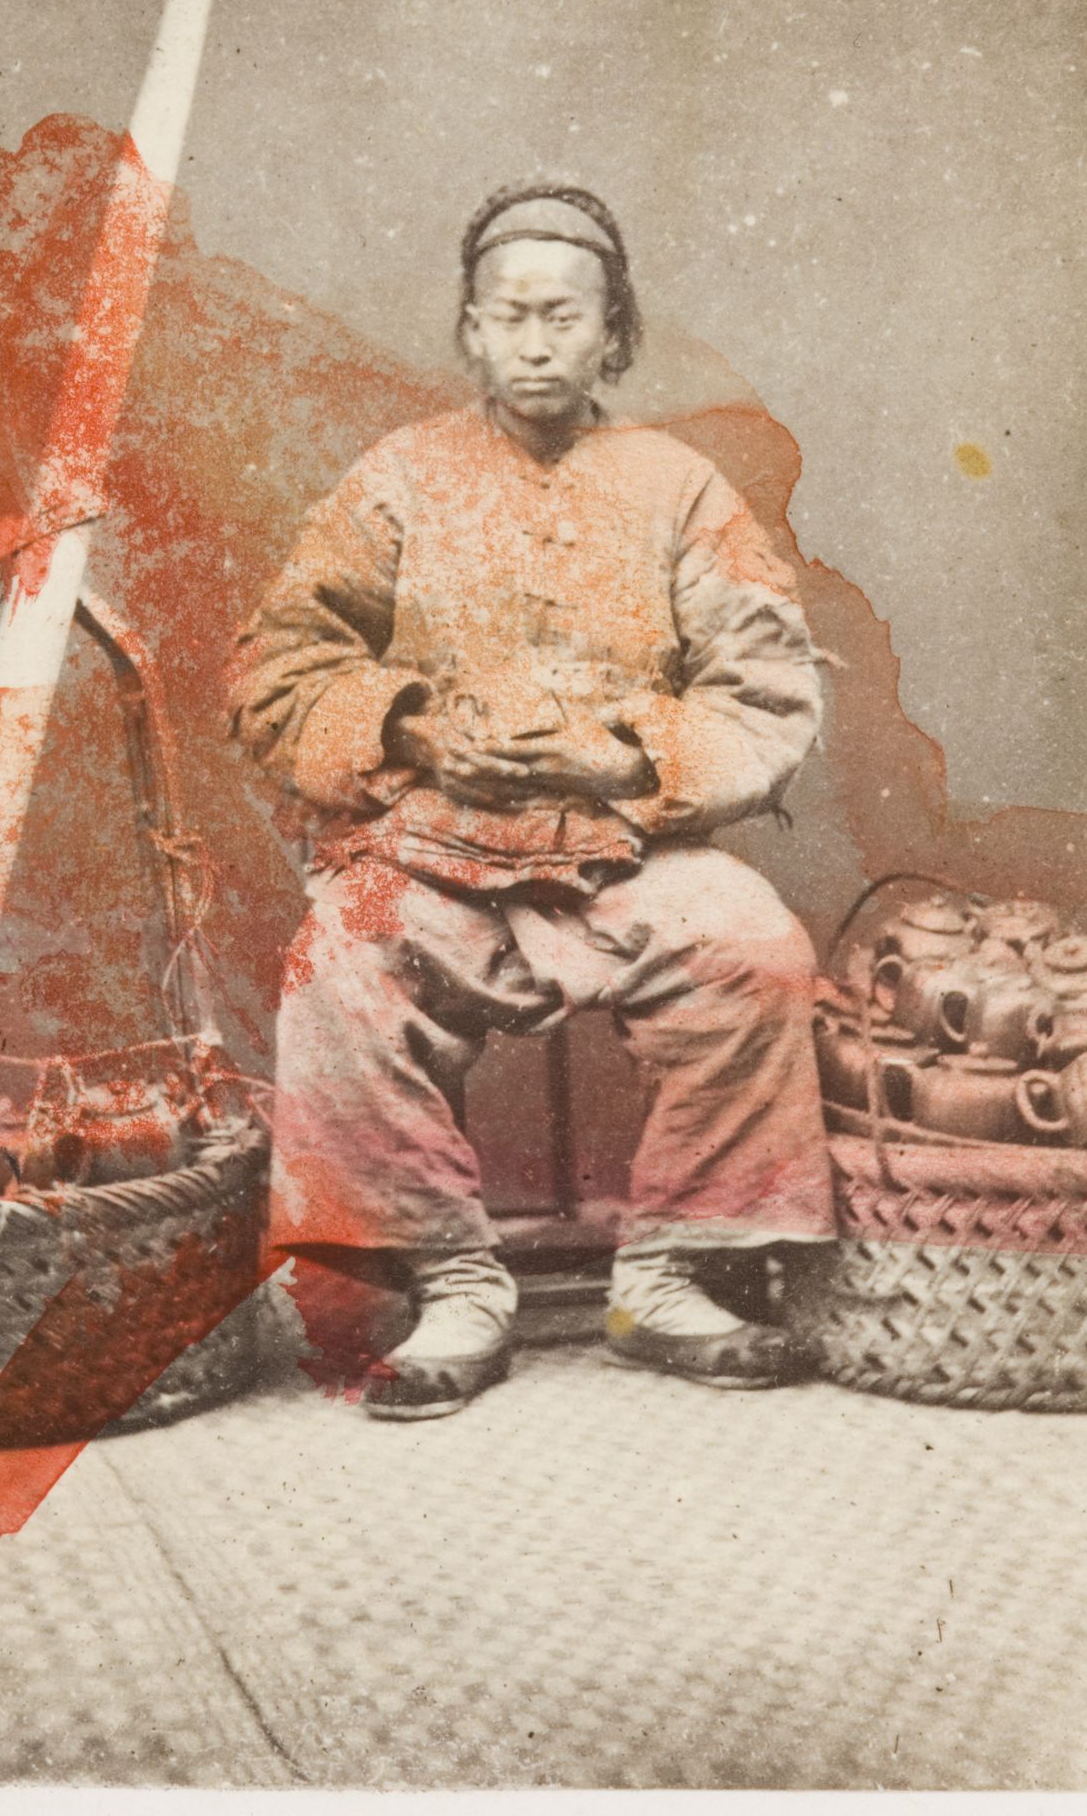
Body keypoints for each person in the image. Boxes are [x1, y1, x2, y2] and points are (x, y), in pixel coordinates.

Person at [226, 182, 835, 1420]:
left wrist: (625, 760)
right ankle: (454, 1282)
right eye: (509, 317)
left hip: (625, 852)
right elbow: (277, 662)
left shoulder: (676, 486)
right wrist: (412, 729)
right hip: (435, 849)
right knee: (338, 959)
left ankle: (662, 1277)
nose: (537, 342)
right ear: (469, 331)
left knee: (753, 948)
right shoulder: (399, 478)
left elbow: (765, 684)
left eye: (567, 317)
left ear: (615, 335)